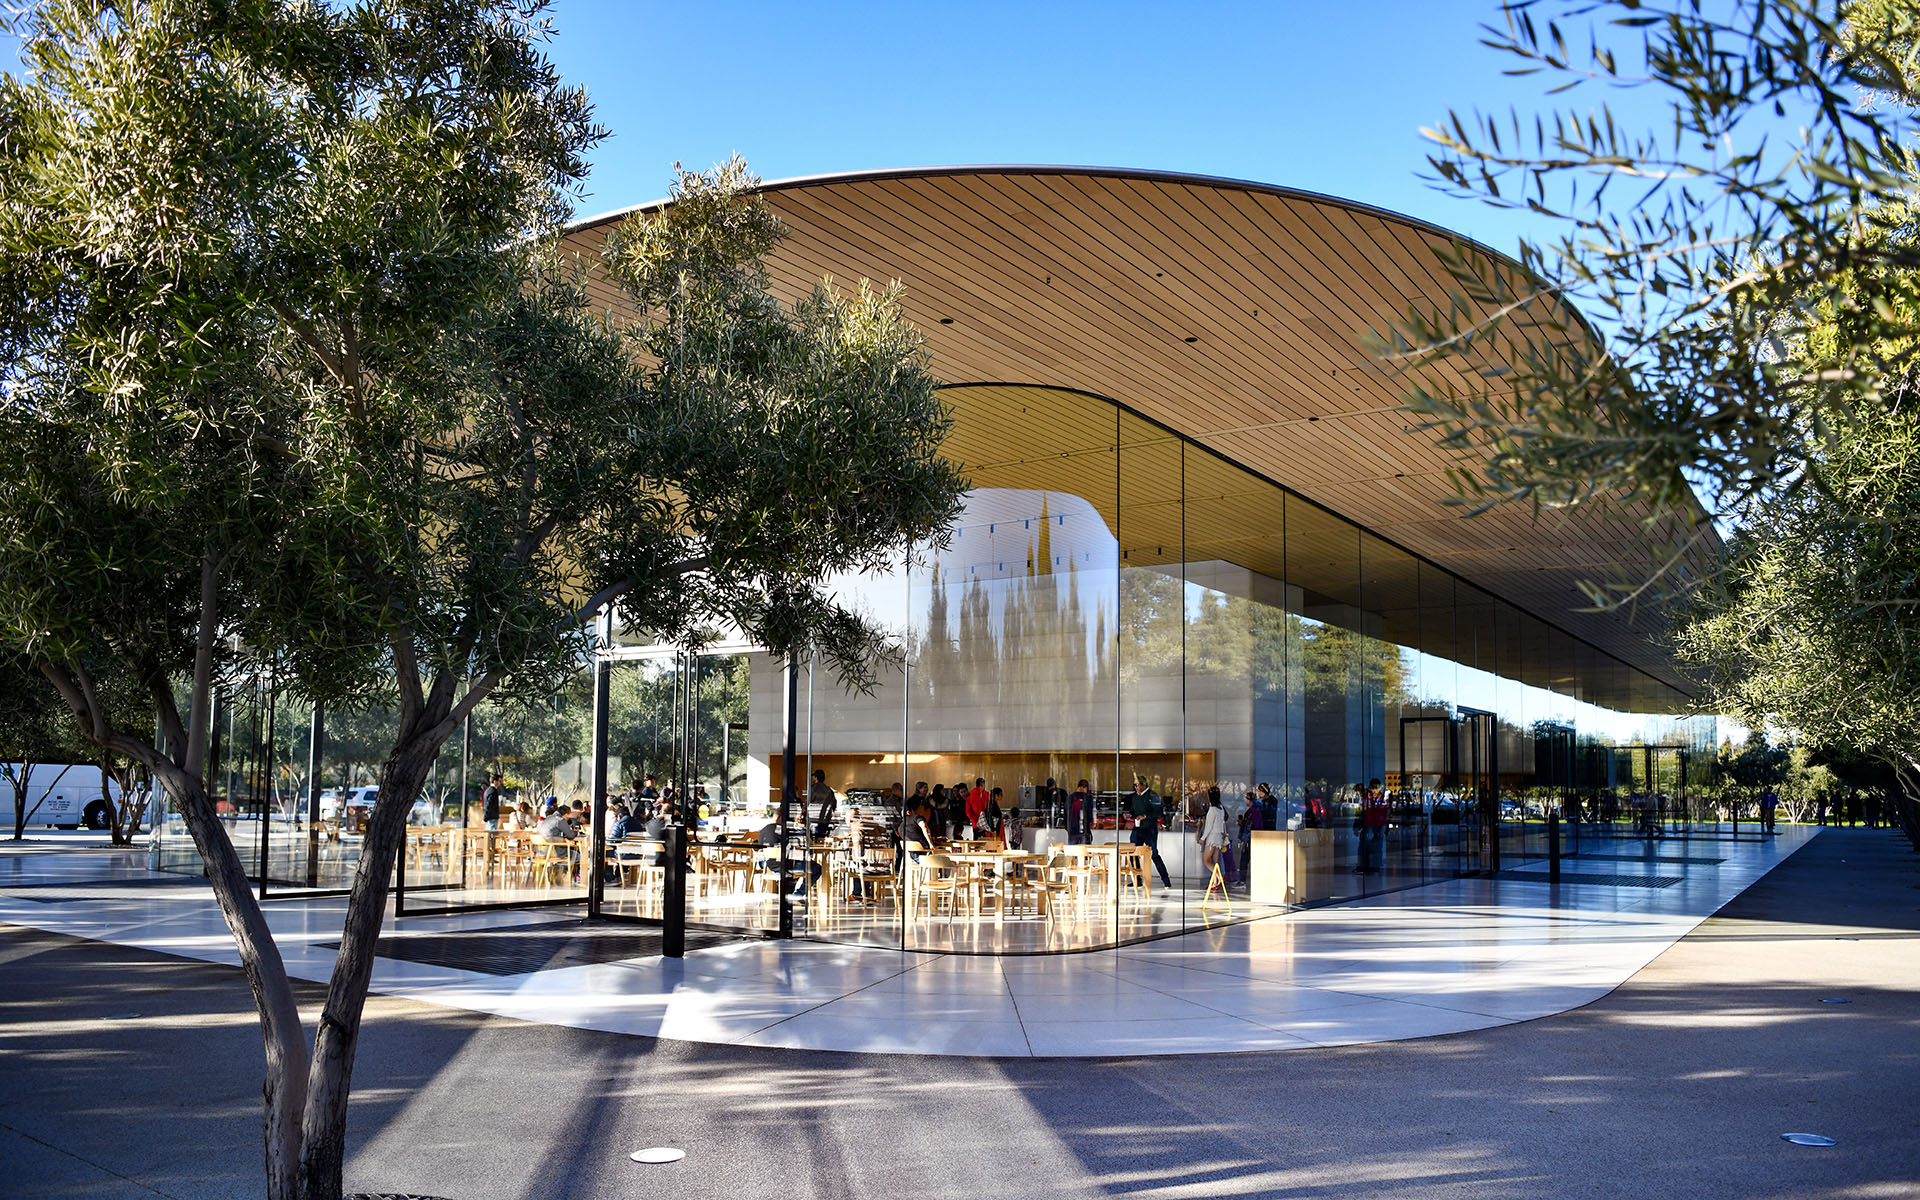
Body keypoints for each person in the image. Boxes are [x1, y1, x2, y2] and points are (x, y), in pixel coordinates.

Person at [1127, 777, 1173, 889]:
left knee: (1154, 854)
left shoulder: (1153, 795)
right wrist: (1129, 815)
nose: (1136, 787)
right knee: (1133, 853)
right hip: (1138, 828)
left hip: (1150, 829)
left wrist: (1146, 816)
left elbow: (1158, 812)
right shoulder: (1134, 797)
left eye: (1137, 785)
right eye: (1134, 785)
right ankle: (1137, 880)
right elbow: (1133, 810)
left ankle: (1166, 881)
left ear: (1144, 785)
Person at [1355, 779, 1388, 874]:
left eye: (1376, 788)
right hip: (1370, 823)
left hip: (1379, 824)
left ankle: (1375, 865)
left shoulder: (1382, 798)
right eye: (1373, 788)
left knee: (1377, 845)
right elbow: (1363, 812)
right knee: (1368, 844)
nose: (1374, 791)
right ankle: (1368, 865)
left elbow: (1385, 812)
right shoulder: (1367, 798)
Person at [1199, 789, 1228, 879]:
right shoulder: (1221, 808)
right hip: (1219, 838)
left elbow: (1209, 826)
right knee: (1215, 862)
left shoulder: (1212, 810)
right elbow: (1223, 823)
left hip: (1212, 838)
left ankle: (1218, 877)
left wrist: (1202, 838)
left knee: (1205, 860)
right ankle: (1215, 882)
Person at [807, 769, 837, 837]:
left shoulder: (813, 788)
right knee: (822, 835)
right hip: (825, 819)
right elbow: (834, 804)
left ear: (816, 778)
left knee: (813, 836)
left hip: (813, 817)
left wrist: (803, 810)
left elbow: (808, 801)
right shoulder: (829, 790)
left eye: (813, 776)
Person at [1068, 779, 1093, 845]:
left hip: (1072, 832)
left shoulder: (1070, 798)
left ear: (1077, 787)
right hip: (1085, 832)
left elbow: (1065, 816)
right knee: (1084, 853)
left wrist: (1069, 828)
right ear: (1086, 788)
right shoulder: (1088, 798)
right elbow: (1090, 816)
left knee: (1073, 853)